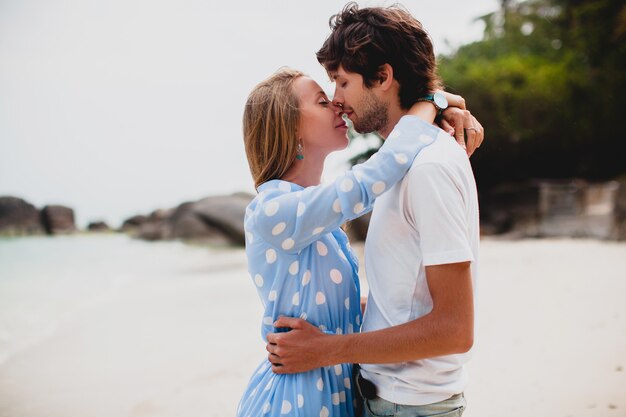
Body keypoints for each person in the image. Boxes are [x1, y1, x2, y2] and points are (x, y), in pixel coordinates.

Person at [266, 4, 481, 417]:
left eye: (342, 82)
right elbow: (406, 294)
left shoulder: (428, 167)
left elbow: (455, 329)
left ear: (382, 77)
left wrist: (325, 350)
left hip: (411, 406)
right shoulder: (403, 161)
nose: (337, 99)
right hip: (391, 399)